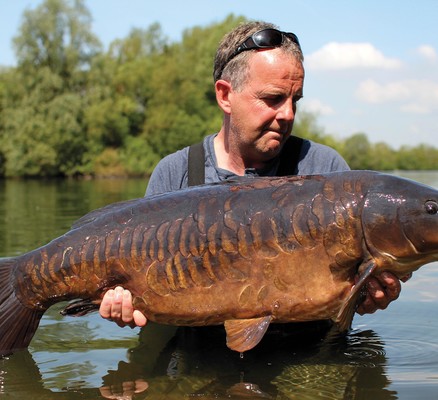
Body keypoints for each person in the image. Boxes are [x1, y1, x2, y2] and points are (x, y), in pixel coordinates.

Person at [99, 20, 409, 329]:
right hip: (197, 357)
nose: (288, 113)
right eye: (273, 99)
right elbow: (144, 295)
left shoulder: (324, 170)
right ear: (225, 96)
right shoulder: (176, 173)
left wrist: (364, 299)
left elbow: (348, 294)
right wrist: (124, 304)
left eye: (295, 100)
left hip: (300, 356)